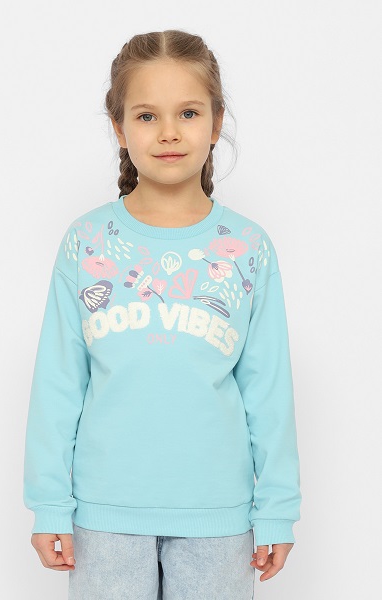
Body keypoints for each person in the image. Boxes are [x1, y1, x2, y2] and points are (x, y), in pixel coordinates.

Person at [23, 29, 302, 600]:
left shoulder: (248, 248)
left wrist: (277, 509)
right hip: (104, 517)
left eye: (189, 113)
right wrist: (49, 504)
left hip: (218, 518)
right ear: (118, 127)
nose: (169, 132)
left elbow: (268, 389)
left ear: (216, 123)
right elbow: (59, 383)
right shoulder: (86, 242)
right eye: (147, 115)